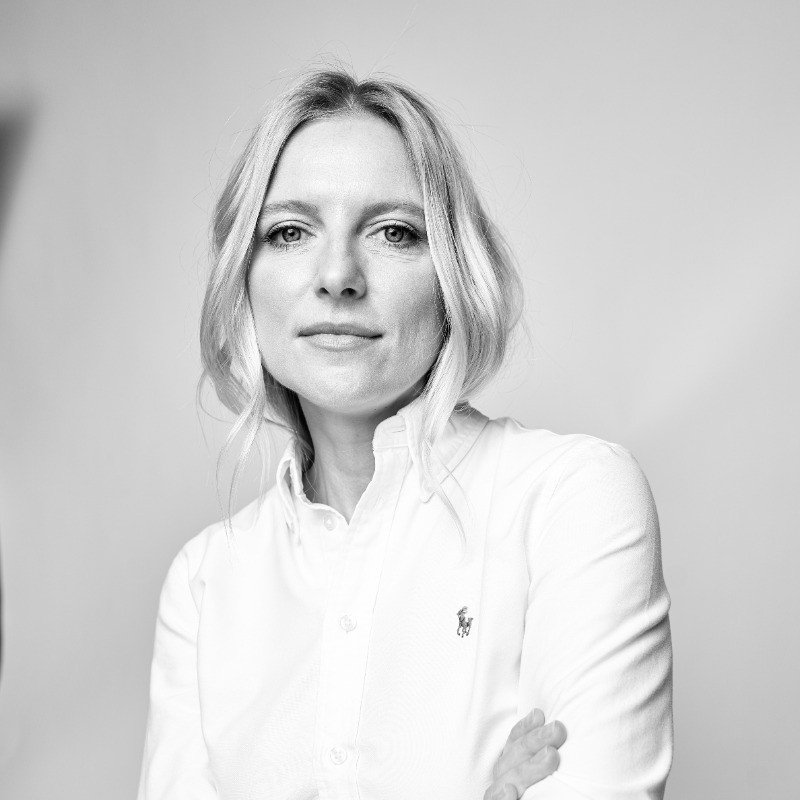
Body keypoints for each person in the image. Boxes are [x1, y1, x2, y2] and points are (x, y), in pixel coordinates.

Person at [137, 68, 673, 800]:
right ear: (244, 278)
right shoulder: (204, 585)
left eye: (394, 232)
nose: (338, 275)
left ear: (453, 273)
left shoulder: (571, 499)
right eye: (290, 231)